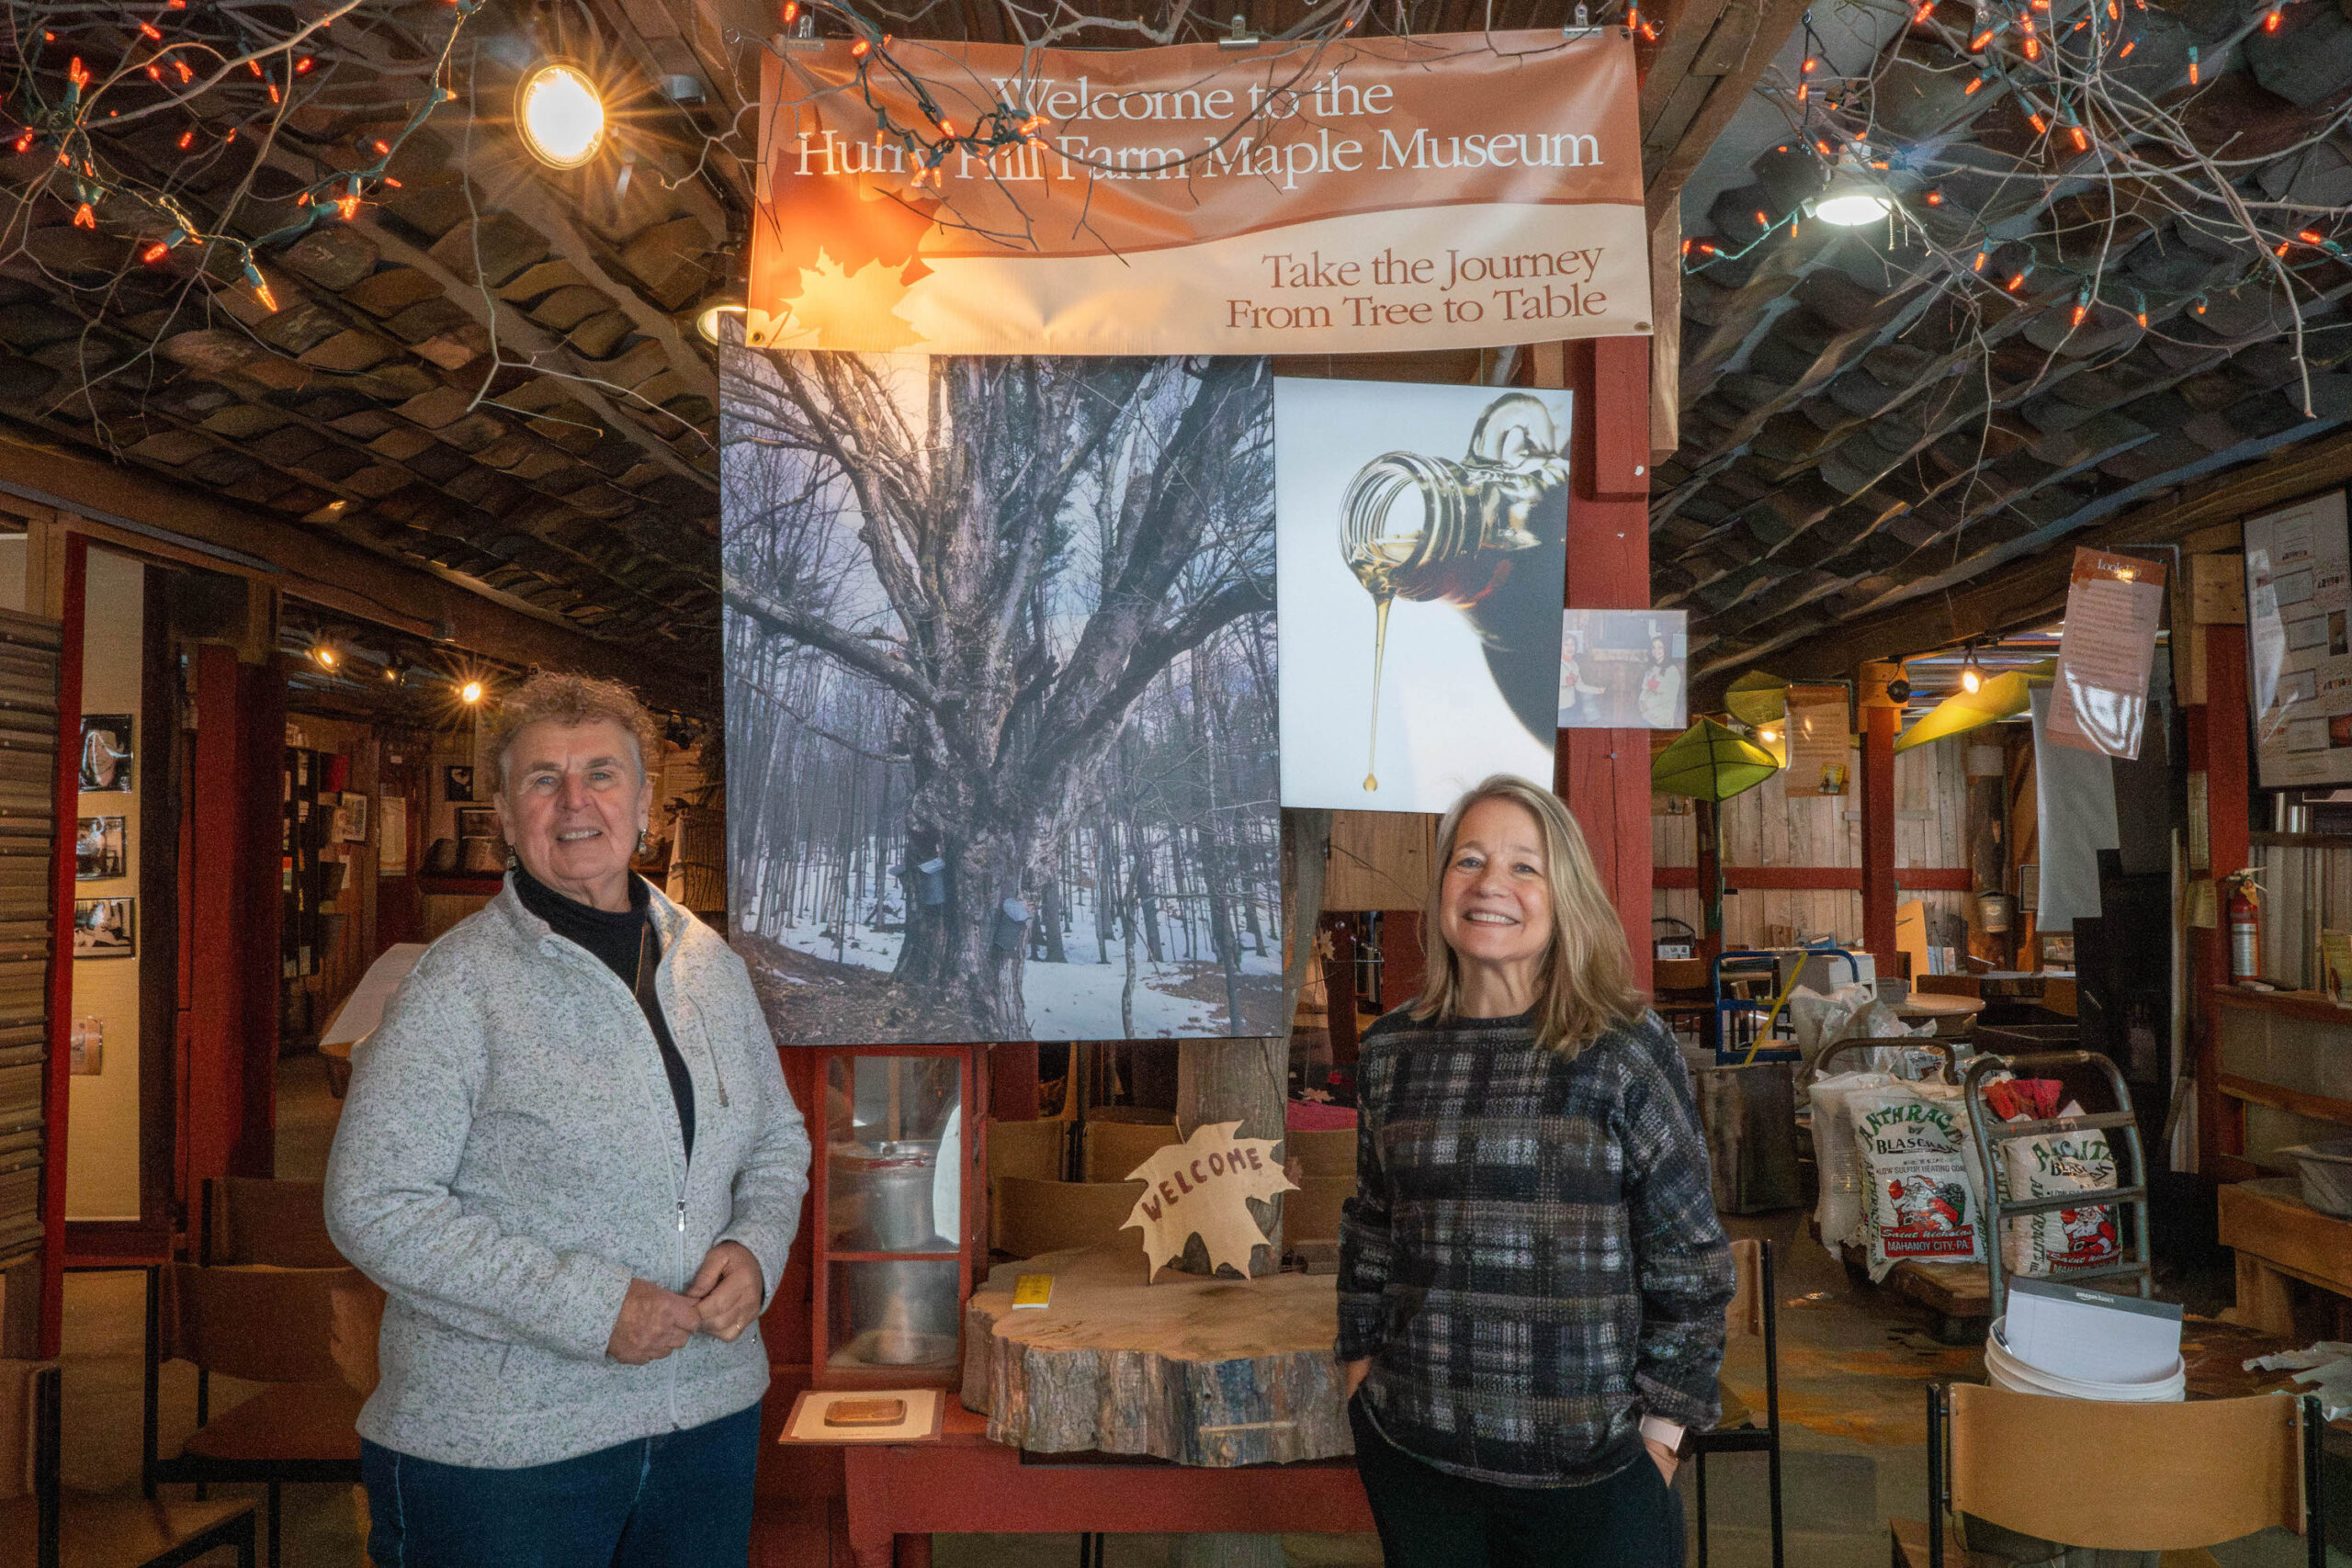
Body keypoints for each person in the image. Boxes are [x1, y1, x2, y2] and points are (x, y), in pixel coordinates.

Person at [326, 672, 810, 1568]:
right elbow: (375, 1204)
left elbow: (777, 1140)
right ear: (507, 817)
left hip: (704, 1424)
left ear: (647, 804)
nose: (576, 801)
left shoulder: (711, 966)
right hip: (505, 1456)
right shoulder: (456, 986)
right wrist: (592, 1308)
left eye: (602, 773)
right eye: (544, 779)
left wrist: (756, 1249)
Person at [1338, 773, 1733, 1568]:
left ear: (1566, 895)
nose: (1491, 883)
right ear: (1442, 886)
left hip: (1596, 1478)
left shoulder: (1622, 1049)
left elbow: (1691, 1261)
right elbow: (1373, 1228)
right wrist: (1359, 1377)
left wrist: (1661, 1436)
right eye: (1469, 859)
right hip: (1417, 1460)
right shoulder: (1391, 1052)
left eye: (1525, 866)